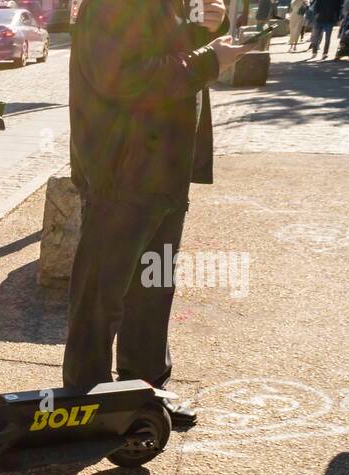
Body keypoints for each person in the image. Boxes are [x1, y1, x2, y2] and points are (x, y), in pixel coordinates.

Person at [63, 0, 254, 426]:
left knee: (153, 286)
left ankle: (145, 388)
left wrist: (205, 30)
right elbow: (122, 77)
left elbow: (164, 56)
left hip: (165, 169)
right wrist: (209, 60)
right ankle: (83, 402)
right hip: (123, 171)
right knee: (101, 294)